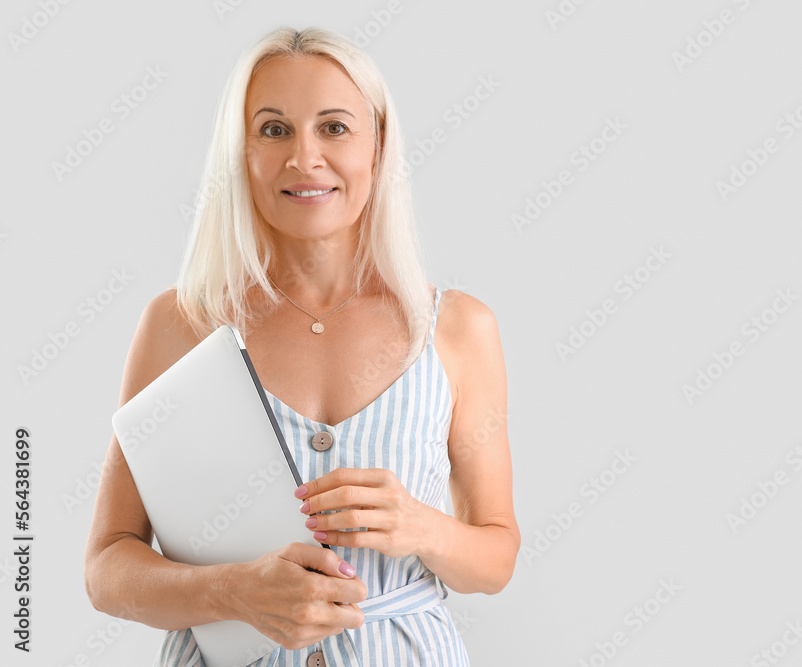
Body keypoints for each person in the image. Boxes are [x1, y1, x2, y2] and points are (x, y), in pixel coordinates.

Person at [83, 25, 519, 667]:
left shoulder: (456, 328)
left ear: (379, 144)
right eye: (274, 129)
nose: (304, 158)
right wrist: (230, 591)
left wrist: (423, 527)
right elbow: (105, 568)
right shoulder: (181, 325)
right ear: (241, 151)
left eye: (334, 128)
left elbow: (496, 558)